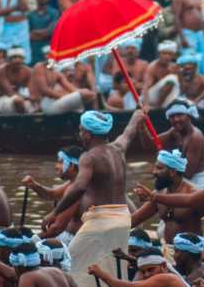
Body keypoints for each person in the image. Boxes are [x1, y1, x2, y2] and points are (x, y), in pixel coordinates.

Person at [40, 110, 142, 286]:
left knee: (69, 262)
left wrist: (55, 212)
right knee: (109, 265)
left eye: (81, 130)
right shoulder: (119, 149)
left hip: (101, 220)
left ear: (89, 134)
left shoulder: (88, 157)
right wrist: (137, 116)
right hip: (123, 219)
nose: (79, 134)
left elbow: (79, 187)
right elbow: (129, 132)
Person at [131, 148, 204, 263]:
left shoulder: (193, 194)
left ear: (172, 171)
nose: (154, 172)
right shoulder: (159, 194)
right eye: (155, 167)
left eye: (159, 168)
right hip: (167, 253)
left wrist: (201, 253)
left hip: (190, 257)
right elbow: (135, 219)